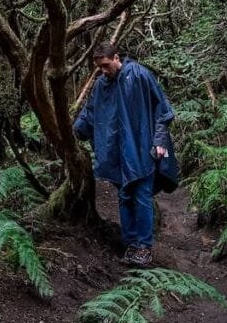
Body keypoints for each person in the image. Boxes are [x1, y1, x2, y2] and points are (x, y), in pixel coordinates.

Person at [74, 42, 178, 267]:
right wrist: (75, 129)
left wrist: (160, 140)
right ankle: (131, 243)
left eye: (105, 65)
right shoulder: (102, 85)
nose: (103, 71)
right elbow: (91, 112)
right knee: (124, 196)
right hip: (116, 153)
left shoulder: (139, 75)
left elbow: (162, 109)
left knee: (141, 196)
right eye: (99, 68)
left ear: (116, 57)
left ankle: (144, 246)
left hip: (142, 149)